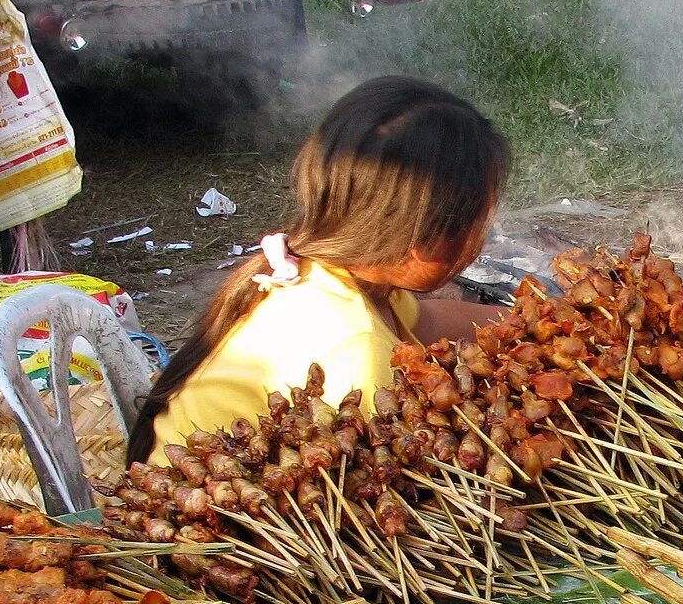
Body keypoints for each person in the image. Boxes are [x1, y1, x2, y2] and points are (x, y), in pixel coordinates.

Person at [127, 75, 510, 464]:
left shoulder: (331, 270)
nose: (480, 241)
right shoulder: (358, 358)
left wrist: (535, 318)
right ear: (426, 244)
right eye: (481, 223)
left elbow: (428, 320)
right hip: (220, 511)